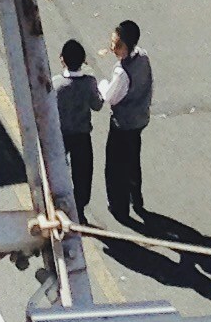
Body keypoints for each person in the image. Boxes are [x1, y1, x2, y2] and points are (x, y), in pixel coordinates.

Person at [102, 19, 153, 224]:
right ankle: (136, 197)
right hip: (140, 118)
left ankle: (118, 206)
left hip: (123, 123)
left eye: (117, 45)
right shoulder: (143, 57)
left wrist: (103, 84)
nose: (113, 48)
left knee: (115, 167)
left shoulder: (122, 72)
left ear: (128, 45)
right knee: (133, 159)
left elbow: (111, 97)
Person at [55, 36, 100, 217]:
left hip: (62, 135)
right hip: (82, 135)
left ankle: (61, 206)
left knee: (59, 170)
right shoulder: (89, 82)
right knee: (83, 173)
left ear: (62, 59)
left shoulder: (56, 84)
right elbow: (97, 105)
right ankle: (79, 208)